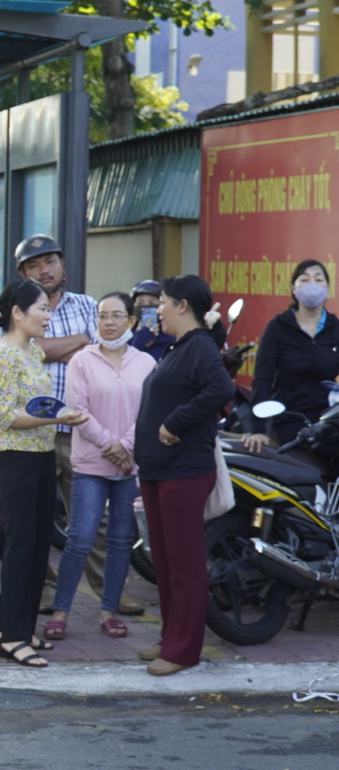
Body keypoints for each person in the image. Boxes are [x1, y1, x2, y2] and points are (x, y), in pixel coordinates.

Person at [14, 234, 137, 614]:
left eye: (49, 261)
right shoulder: (19, 308)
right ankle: (45, 589)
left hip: (83, 430)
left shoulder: (87, 305)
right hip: (35, 430)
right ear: (22, 273)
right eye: (34, 265)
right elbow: (33, 350)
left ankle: (109, 592)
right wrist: (81, 340)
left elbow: (101, 352)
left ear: (62, 266)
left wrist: (73, 345)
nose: (44, 270)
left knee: (95, 520)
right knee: (35, 516)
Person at [0, 279, 90, 668]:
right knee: (21, 547)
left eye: (49, 309)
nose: (48, 316)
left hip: (42, 454)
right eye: (41, 309)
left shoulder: (31, 352)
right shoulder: (3, 356)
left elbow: (39, 405)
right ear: (17, 313)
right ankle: (12, 636)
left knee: (38, 546)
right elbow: (4, 417)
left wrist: (62, 414)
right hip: (16, 459)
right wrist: (59, 416)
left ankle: (20, 628)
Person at [135, 275, 237, 676]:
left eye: (161, 302)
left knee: (185, 565)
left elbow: (220, 389)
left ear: (182, 306)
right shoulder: (180, 348)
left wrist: (175, 423)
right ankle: (170, 636)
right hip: (158, 470)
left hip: (184, 472)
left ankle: (183, 651)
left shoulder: (199, 347)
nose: (157, 309)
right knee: (164, 562)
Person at [47, 292, 154, 642]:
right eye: (103, 316)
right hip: (91, 464)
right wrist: (112, 445)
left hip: (129, 466)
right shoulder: (82, 360)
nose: (109, 322)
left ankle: (108, 612)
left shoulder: (146, 363)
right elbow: (77, 410)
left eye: (117, 316)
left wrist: (126, 447)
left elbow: (149, 413)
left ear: (132, 321)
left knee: (121, 540)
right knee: (80, 538)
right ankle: (61, 610)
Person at [244, 259, 339, 450]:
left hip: (330, 421)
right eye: (304, 279)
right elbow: (263, 379)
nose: (312, 285)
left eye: (318, 279)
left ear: (328, 288)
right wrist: (258, 429)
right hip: (291, 420)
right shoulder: (278, 327)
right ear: (293, 289)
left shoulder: (335, 328)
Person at [128, 279, 174, 361]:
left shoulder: (172, 337)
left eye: (152, 304)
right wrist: (140, 341)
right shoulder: (126, 335)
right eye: (140, 303)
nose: (145, 309)